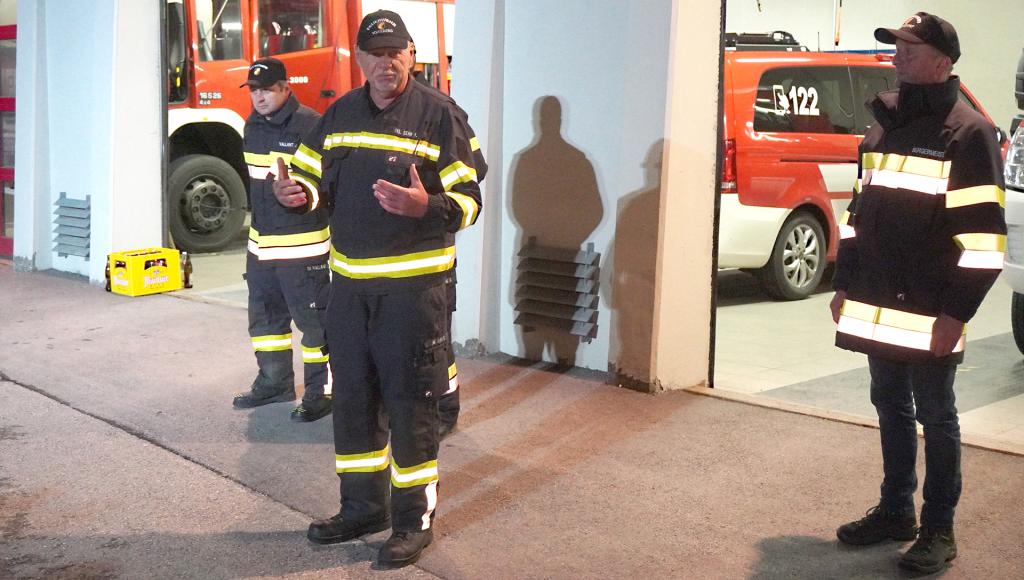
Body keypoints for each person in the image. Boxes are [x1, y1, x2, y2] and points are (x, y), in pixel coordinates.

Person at [272, 10, 484, 567]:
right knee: (353, 401)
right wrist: (299, 195)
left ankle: (413, 521)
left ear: (410, 55)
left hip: (412, 294)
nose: (386, 63)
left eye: (395, 53)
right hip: (349, 289)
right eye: (375, 53)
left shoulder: (439, 115)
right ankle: (363, 507)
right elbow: (312, 177)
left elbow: (469, 203)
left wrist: (425, 206)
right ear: (360, 58)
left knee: (411, 406)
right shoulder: (340, 112)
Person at [830, 13, 1006, 574]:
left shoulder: (969, 134)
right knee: (888, 403)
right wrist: (843, 281)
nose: (898, 55)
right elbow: (858, 214)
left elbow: (984, 243)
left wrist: (956, 313)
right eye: (897, 45)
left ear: (942, 62)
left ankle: (938, 528)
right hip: (877, 299)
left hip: (931, 308)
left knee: (936, 413)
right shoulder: (884, 122)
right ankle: (895, 510)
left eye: (910, 46)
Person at [231, 57, 333, 423]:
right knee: (265, 322)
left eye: (267, 90)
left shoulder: (311, 125)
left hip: (302, 249)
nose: (259, 97)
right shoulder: (252, 125)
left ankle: (321, 393)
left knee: (315, 325)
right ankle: (274, 383)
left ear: (285, 88)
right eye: (253, 91)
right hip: (261, 248)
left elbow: (327, 183)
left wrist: (304, 196)